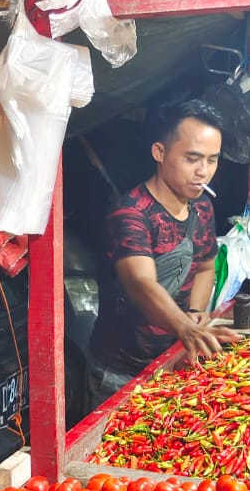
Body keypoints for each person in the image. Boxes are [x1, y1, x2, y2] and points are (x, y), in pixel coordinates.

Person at [86, 100, 241, 407]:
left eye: (212, 160)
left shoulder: (202, 207)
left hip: (172, 361)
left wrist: (196, 312)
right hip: (120, 373)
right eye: (192, 159)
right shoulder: (130, 213)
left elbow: (207, 266)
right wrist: (186, 328)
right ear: (160, 152)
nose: (203, 172)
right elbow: (141, 282)